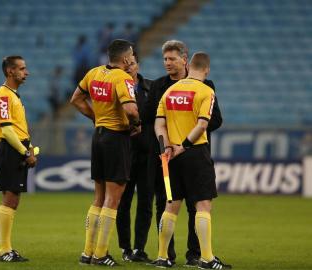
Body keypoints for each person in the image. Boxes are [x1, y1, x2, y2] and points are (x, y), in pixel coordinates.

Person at [142, 40, 223, 267]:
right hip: (194, 153)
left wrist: (166, 147)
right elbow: (202, 125)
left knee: (170, 206)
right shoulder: (206, 90)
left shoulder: (169, 91)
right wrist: (185, 145)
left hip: (171, 156)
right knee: (203, 205)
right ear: (206, 69)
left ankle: (162, 257)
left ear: (189, 65)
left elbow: (159, 124)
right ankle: (206, 258)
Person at [70, 39, 141, 267]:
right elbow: (131, 109)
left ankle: (87, 252)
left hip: (98, 136)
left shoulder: (94, 73)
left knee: (98, 198)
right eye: (131, 55)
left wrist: (95, 117)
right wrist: (137, 124)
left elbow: (76, 99)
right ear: (125, 58)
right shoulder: (123, 78)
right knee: (113, 199)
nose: (132, 58)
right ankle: (101, 254)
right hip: (116, 138)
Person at [0, 55, 38, 262]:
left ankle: (7, 248)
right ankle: (4, 250)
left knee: (13, 198)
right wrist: (24, 151)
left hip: (16, 148)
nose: (26, 73)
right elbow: (7, 130)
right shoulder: (3, 95)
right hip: (12, 149)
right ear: (10, 71)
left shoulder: (12, 95)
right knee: (10, 198)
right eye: (21, 69)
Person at [116, 52, 153, 263]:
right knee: (123, 203)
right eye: (126, 63)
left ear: (138, 65)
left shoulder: (151, 87)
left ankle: (140, 248)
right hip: (125, 153)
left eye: (132, 63)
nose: (129, 66)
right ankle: (125, 247)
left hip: (148, 154)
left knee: (146, 202)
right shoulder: (117, 88)